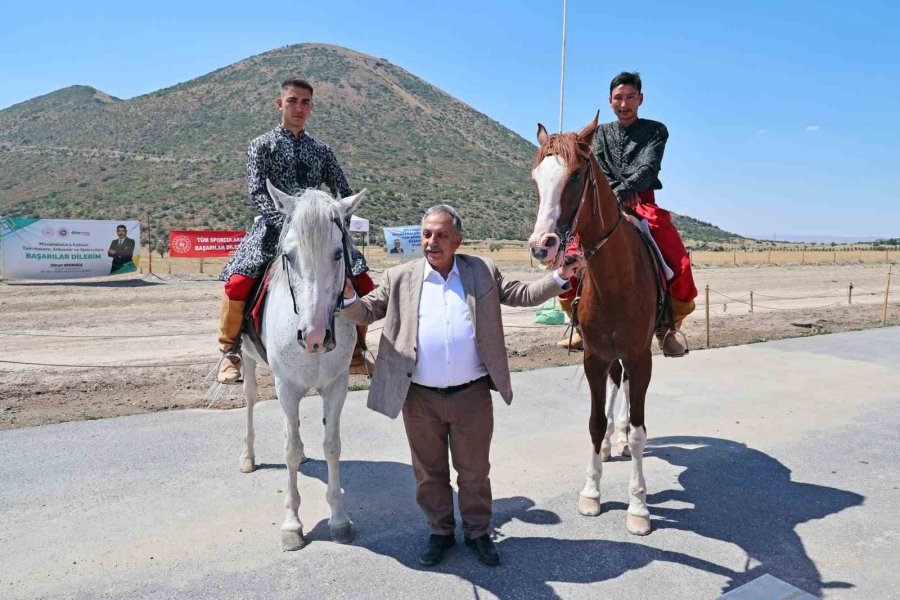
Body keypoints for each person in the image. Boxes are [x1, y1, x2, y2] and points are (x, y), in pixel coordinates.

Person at [341, 205, 581, 567]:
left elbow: (522, 294)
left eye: (440, 235)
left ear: (458, 240)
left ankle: (478, 532)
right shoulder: (400, 276)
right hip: (419, 397)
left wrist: (560, 277)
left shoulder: (481, 270)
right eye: (426, 234)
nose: (431, 242)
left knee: (474, 471)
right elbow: (365, 311)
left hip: (471, 395)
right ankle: (439, 532)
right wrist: (346, 298)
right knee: (428, 472)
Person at [216, 78, 375, 384]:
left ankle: (357, 351)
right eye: (292, 101)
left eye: (305, 102)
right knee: (238, 283)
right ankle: (229, 351)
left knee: (365, 284)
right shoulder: (261, 145)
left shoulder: (322, 150)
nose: (299, 108)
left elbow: (343, 188)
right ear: (280, 104)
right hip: (275, 229)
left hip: (320, 231)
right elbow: (256, 192)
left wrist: (335, 216)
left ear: (311, 107)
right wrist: (287, 222)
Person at [558, 71, 697, 357]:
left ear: (640, 99)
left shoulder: (656, 130)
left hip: (641, 201)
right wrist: (612, 196)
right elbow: (599, 169)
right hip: (603, 203)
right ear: (610, 101)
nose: (624, 104)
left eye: (630, 97)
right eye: (618, 98)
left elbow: (649, 167)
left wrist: (624, 191)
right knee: (570, 253)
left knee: (676, 256)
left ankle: (666, 329)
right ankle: (578, 322)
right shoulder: (602, 133)